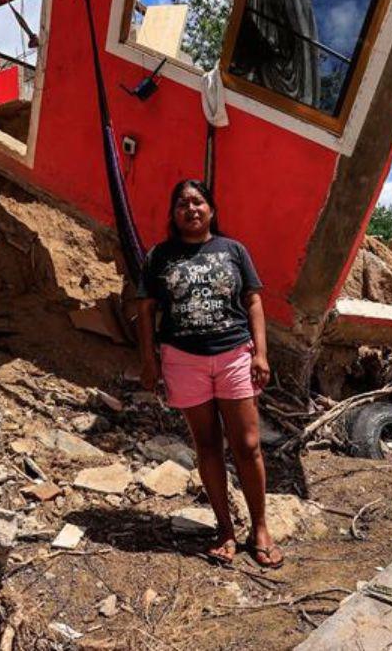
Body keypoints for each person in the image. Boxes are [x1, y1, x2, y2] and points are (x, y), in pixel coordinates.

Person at [136, 179, 283, 568]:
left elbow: (253, 300)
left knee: (248, 445)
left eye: (198, 202)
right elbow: (148, 310)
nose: (191, 209)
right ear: (173, 215)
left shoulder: (234, 250)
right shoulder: (159, 257)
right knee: (207, 445)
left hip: (235, 354)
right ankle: (224, 530)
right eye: (182, 204)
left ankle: (261, 528)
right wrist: (149, 360)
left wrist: (261, 354)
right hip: (183, 360)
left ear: (211, 210)